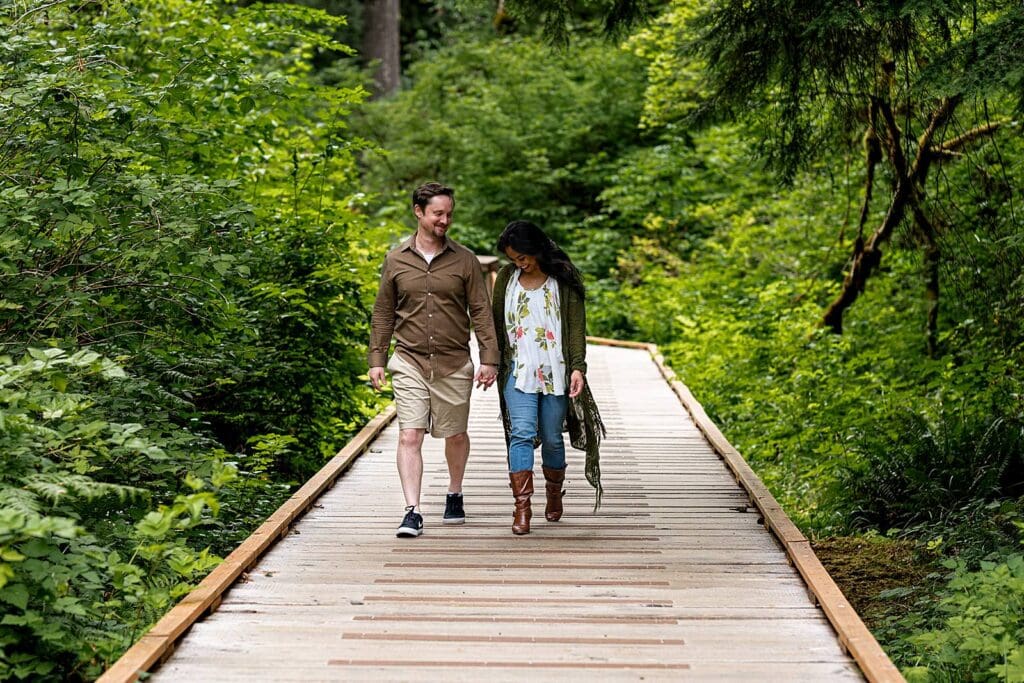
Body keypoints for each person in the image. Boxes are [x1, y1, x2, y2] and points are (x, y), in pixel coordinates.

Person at [369, 182, 499, 538]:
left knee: (454, 434)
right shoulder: (396, 260)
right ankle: (412, 510)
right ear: (418, 212)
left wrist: (489, 358)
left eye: (449, 214)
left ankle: (454, 492)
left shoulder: (465, 260)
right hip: (409, 359)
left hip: (454, 362)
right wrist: (377, 357)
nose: (445, 220)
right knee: (410, 435)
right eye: (438, 213)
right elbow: (383, 312)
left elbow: (482, 312)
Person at [491, 220, 605, 535]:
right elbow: (495, 324)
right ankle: (522, 508)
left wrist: (578, 367)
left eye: (523, 257)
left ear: (537, 249)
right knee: (522, 434)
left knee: (553, 438)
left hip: (555, 371)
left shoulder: (562, 281)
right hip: (518, 371)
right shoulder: (506, 279)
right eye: (514, 259)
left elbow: (575, 329)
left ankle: (554, 492)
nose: (519, 263)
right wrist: (491, 363)